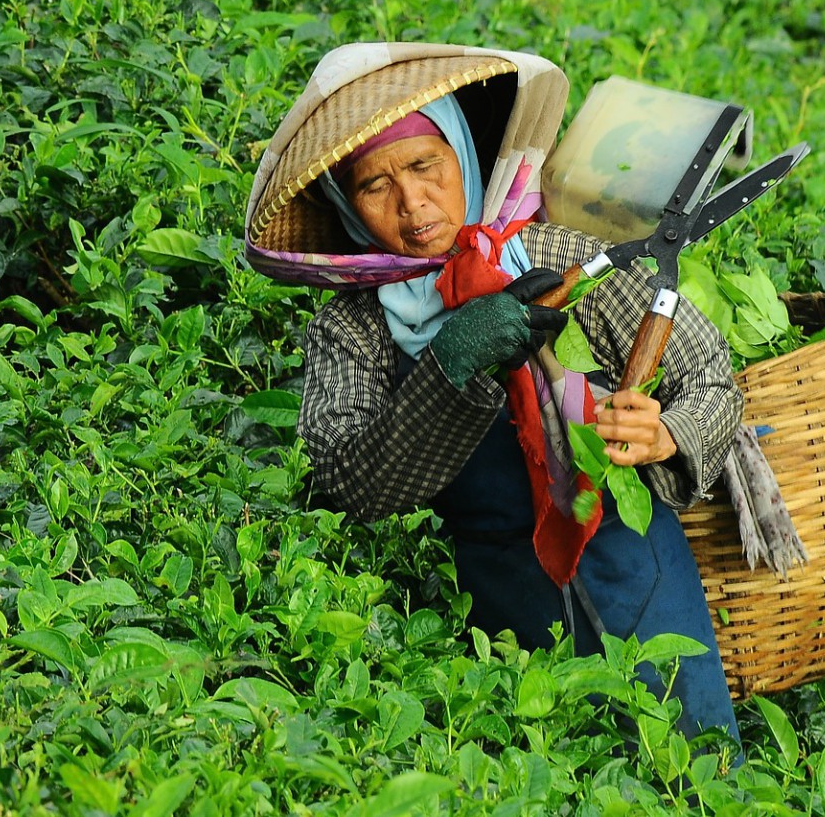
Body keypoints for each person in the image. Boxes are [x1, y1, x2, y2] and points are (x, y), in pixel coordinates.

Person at [245, 45, 742, 751]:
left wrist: (671, 432)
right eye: (374, 186)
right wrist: (451, 362)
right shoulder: (353, 326)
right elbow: (346, 478)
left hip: (642, 572)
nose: (413, 204)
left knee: (698, 768)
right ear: (344, 205)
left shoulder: (555, 253)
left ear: (463, 157)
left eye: (425, 166)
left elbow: (709, 371)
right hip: (503, 606)